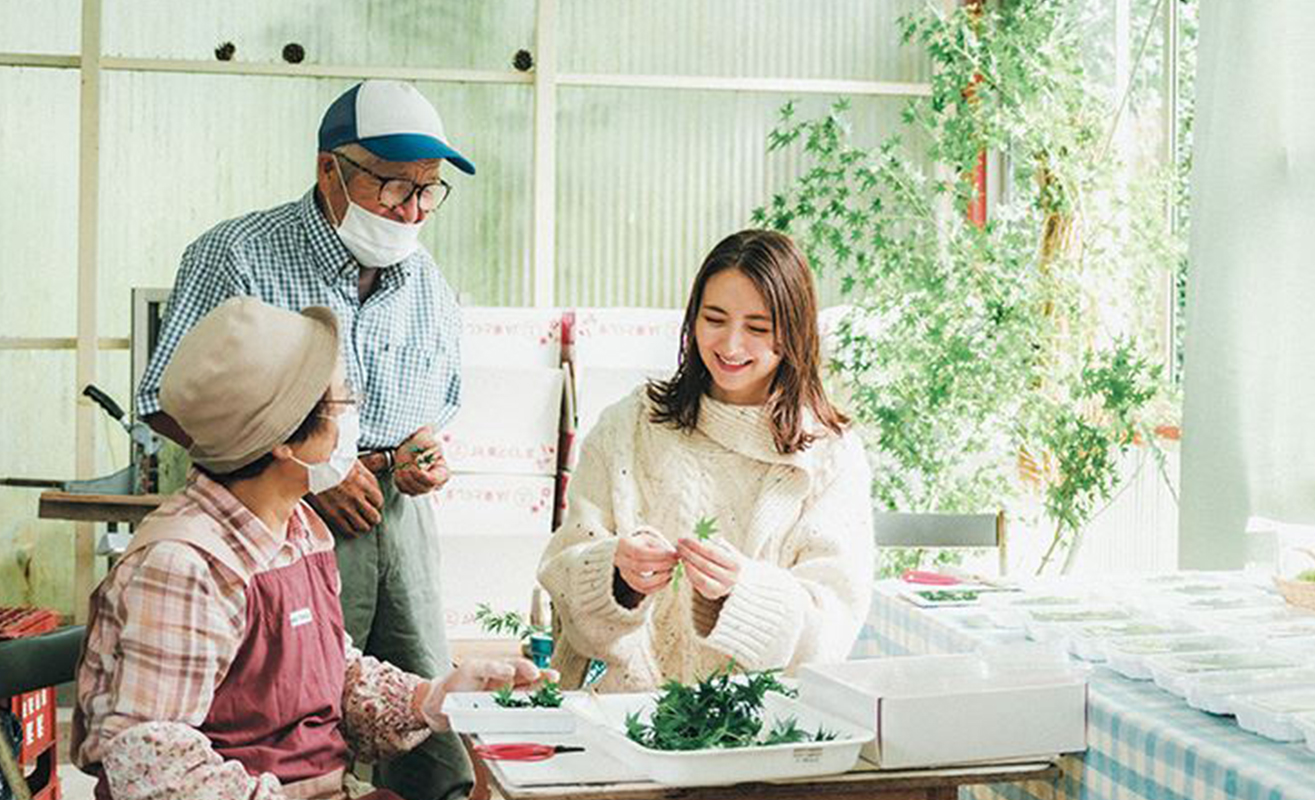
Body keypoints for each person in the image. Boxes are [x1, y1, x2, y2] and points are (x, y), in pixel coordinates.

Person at [134, 80, 470, 798]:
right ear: (330, 170)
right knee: (289, 714)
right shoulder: (240, 254)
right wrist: (309, 471)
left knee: (415, 724)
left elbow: (437, 401)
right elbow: (165, 398)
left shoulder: (425, 277)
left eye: (428, 192)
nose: (412, 210)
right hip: (278, 509)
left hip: (396, 513)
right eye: (392, 187)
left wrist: (421, 453)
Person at [75, 298, 552, 800]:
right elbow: (154, 773)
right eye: (344, 403)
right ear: (284, 437)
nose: (356, 417)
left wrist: (432, 699)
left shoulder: (299, 526)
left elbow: (330, 675)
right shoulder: (185, 567)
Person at [538, 230, 875, 691]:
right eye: (714, 319)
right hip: (616, 720)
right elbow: (562, 579)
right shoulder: (628, 427)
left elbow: (833, 627)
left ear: (794, 333)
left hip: (761, 727)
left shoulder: (832, 456)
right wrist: (618, 578)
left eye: (758, 328)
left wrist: (745, 594)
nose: (731, 346)